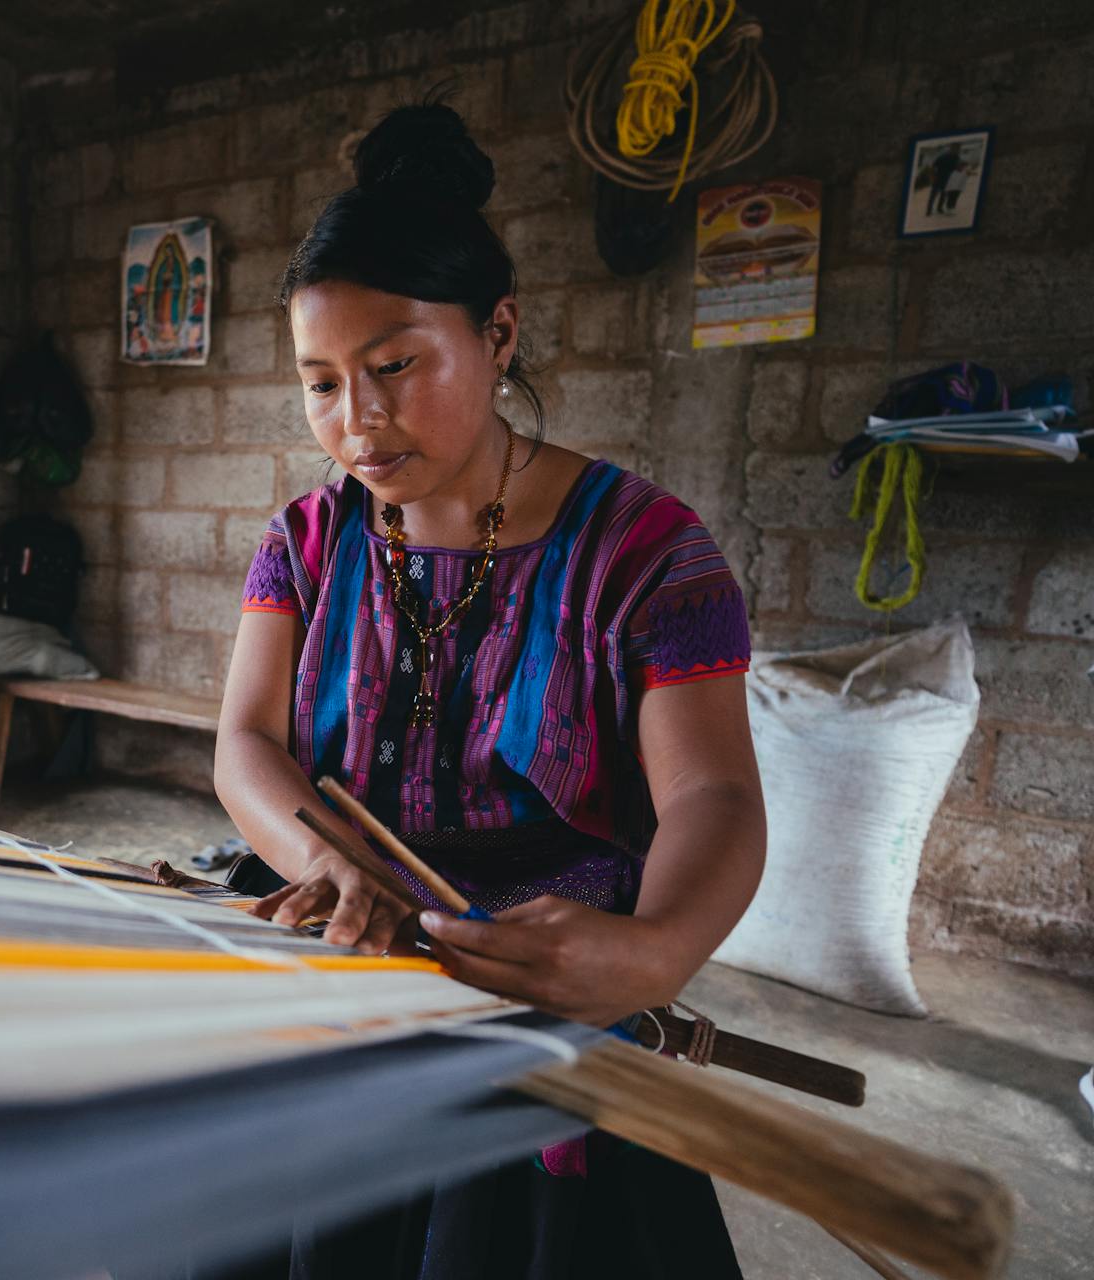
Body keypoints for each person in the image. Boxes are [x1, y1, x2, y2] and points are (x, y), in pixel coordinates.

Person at [210, 99, 766, 1279]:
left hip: (542, 994)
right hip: (345, 968)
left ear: (500, 333)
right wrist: (328, 861)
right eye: (320, 383)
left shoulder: (647, 552)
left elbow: (712, 793)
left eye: (394, 366)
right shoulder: (308, 541)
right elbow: (247, 746)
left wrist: (654, 950)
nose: (355, 422)